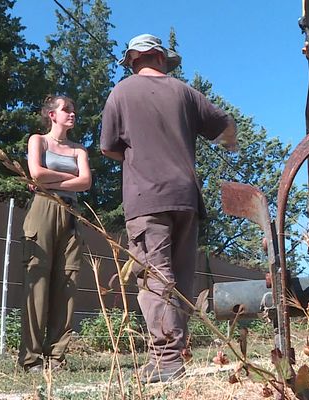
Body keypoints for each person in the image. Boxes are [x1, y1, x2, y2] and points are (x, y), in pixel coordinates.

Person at [100, 34, 237, 384]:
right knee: (180, 277)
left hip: (147, 198)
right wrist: (228, 146)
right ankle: (175, 352)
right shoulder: (186, 93)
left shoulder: (121, 93)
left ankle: (166, 359)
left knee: (156, 278)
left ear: (132, 60)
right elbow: (226, 128)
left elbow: (109, 148)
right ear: (161, 58)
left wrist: (140, 155)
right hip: (186, 197)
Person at [18, 95, 91, 373]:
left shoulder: (78, 150)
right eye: (66, 110)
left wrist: (53, 180)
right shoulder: (38, 141)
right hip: (43, 209)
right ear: (52, 115)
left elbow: (85, 182)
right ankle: (31, 358)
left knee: (68, 282)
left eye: (73, 110)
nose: (72, 114)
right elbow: (35, 174)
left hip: (71, 213)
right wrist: (66, 181)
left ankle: (56, 356)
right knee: (37, 282)